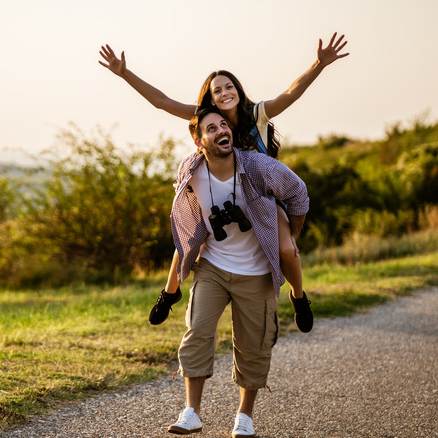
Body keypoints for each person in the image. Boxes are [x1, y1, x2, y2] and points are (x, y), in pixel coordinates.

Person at [99, 33, 349, 331]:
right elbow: (161, 102)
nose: (225, 92)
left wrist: (318, 64)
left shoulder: (257, 114)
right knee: (187, 239)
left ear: (238, 90)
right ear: (211, 97)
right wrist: (124, 72)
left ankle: (298, 296)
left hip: (262, 197)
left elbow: (291, 93)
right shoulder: (207, 118)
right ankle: (169, 293)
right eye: (218, 90)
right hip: (220, 195)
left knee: (286, 250)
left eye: (230, 86)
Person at [163, 106, 309, 436]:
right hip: (212, 266)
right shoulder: (190, 168)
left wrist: (290, 234)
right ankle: (191, 412)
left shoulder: (258, 167)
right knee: (197, 331)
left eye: (223, 125)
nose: (220, 130)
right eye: (211, 128)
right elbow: (185, 217)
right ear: (199, 140)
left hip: (256, 270)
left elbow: (298, 192)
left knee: (253, 345)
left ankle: (244, 416)